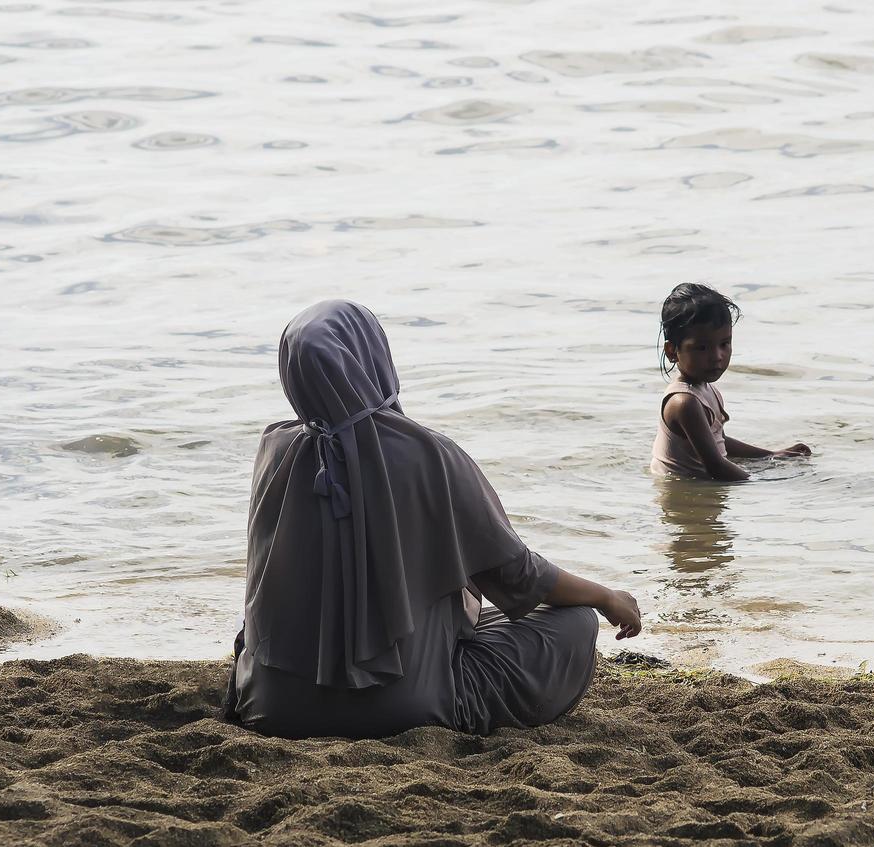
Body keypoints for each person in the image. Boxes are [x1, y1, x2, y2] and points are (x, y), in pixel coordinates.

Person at [224, 299, 642, 739]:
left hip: (270, 708)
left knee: (255, 618)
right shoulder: (430, 456)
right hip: (408, 708)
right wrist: (605, 596)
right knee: (575, 622)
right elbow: (518, 578)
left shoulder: (273, 450)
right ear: (372, 359)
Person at [650, 282, 811, 482]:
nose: (717, 356)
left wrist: (771, 455)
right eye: (701, 348)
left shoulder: (705, 389)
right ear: (672, 351)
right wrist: (763, 482)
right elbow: (716, 466)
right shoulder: (683, 402)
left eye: (724, 344)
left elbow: (720, 441)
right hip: (679, 492)